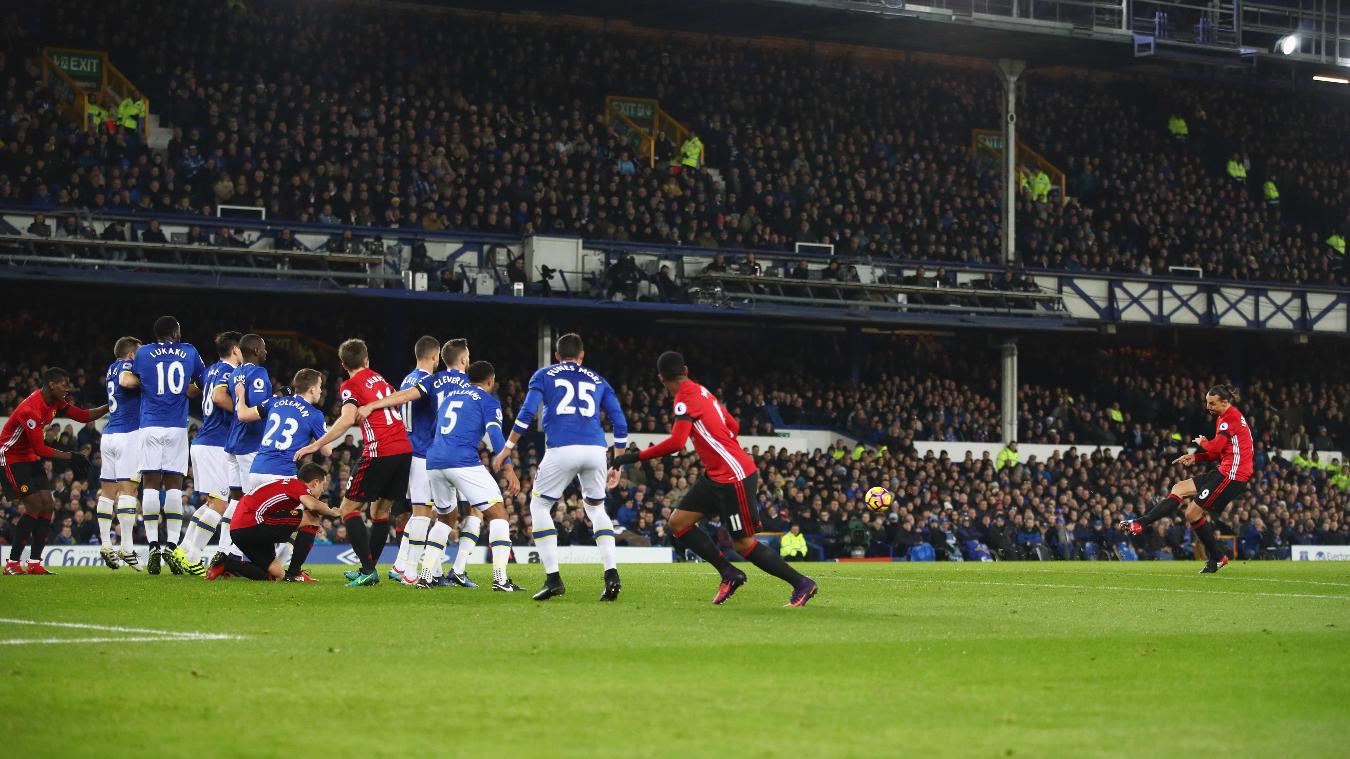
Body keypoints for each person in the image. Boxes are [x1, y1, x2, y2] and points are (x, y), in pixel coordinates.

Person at [608, 351, 818, 606]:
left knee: (742, 544)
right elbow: (734, 425)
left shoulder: (683, 399)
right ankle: (729, 573)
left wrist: (632, 457)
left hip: (733, 477)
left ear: (661, 379)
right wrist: (721, 448)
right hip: (717, 475)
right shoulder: (703, 391)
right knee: (678, 523)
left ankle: (802, 584)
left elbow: (676, 443)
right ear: (685, 369)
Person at [358, 356, 524, 591]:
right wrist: (509, 469)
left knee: (447, 517)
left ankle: (425, 575)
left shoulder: (450, 398)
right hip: (462, 460)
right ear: (491, 380)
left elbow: (435, 429)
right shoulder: (488, 401)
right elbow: (496, 436)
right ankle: (500, 579)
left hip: (434, 460)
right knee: (499, 515)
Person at [493, 332, 629, 602]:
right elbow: (620, 423)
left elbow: (527, 413)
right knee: (596, 508)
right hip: (595, 449)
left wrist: (508, 447)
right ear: (582, 356)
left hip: (562, 448)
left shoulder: (544, 374)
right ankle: (611, 573)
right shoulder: (598, 379)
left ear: (557, 356)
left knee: (540, 506)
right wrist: (619, 463)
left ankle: (553, 578)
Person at [293, 338, 412, 587]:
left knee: (348, 509)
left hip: (380, 450)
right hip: (403, 449)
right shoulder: (380, 379)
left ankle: (368, 570)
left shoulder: (351, 384)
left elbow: (347, 419)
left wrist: (315, 444)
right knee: (379, 512)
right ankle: (367, 569)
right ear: (367, 360)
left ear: (343, 364)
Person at [1120, 384, 1252, 573]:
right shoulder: (1225, 417)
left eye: (1212, 403)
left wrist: (1202, 443)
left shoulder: (1230, 418)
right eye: (1207, 402)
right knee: (1179, 488)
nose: (1208, 407)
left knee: (1192, 513)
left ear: (1225, 402)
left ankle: (1218, 556)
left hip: (1233, 475)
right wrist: (1196, 457)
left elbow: (1214, 448)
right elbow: (1220, 452)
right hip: (1225, 469)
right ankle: (1140, 523)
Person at [120, 316, 205, 575]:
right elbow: (202, 382)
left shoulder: (143, 352)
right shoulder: (189, 351)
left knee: (150, 484)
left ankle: (153, 545)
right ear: (175, 332)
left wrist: (146, 383)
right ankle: (171, 545)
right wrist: (187, 389)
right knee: (174, 485)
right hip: (177, 426)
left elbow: (126, 380)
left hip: (149, 425)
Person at [1, 368, 105, 575]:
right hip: (10, 457)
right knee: (34, 506)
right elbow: (41, 448)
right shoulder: (30, 410)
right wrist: (71, 456)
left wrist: (112, 405)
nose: (68, 389)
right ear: (51, 385)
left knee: (48, 505)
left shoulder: (55, 403)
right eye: (64, 384)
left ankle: (34, 563)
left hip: (29, 457)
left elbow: (84, 416)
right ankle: (12, 563)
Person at [175, 332, 244, 576]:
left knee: (212, 503)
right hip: (216, 443)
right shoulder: (229, 372)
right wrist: (243, 409)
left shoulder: (211, 371)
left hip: (203, 440)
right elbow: (217, 396)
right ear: (235, 350)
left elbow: (193, 390)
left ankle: (182, 551)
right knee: (221, 504)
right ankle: (192, 555)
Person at [207, 463, 341, 582]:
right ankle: (295, 572)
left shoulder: (284, 484)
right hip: (254, 523)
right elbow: (312, 505)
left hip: (238, 530)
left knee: (277, 575)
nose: (323, 490)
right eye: (323, 485)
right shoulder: (297, 485)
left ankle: (227, 564)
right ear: (315, 482)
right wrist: (333, 512)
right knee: (313, 517)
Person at [386, 336, 450, 586]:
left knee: (420, 513)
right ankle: (412, 572)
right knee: (424, 514)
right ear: (435, 357)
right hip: (422, 453)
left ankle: (401, 564)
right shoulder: (428, 382)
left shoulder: (407, 379)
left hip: (407, 450)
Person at [237, 369, 330, 492]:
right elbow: (327, 451)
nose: (320, 390)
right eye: (319, 386)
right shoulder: (315, 415)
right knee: (298, 509)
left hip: (256, 471)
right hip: (282, 474)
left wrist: (240, 395)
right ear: (312, 389)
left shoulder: (274, 401)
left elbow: (243, 415)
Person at [96, 336, 144, 570]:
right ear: (132, 354)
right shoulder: (126, 367)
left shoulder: (110, 368)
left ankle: (106, 544)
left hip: (109, 434)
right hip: (128, 434)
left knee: (107, 493)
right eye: (140, 352)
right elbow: (127, 381)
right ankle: (127, 547)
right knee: (129, 490)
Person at [224, 333, 271, 531]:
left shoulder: (235, 373)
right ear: (257, 350)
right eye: (264, 347)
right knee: (253, 502)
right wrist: (276, 403)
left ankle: (225, 550)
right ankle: (244, 554)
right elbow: (257, 409)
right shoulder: (258, 374)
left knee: (236, 501)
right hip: (250, 443)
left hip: (234, 441)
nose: (266, 351)